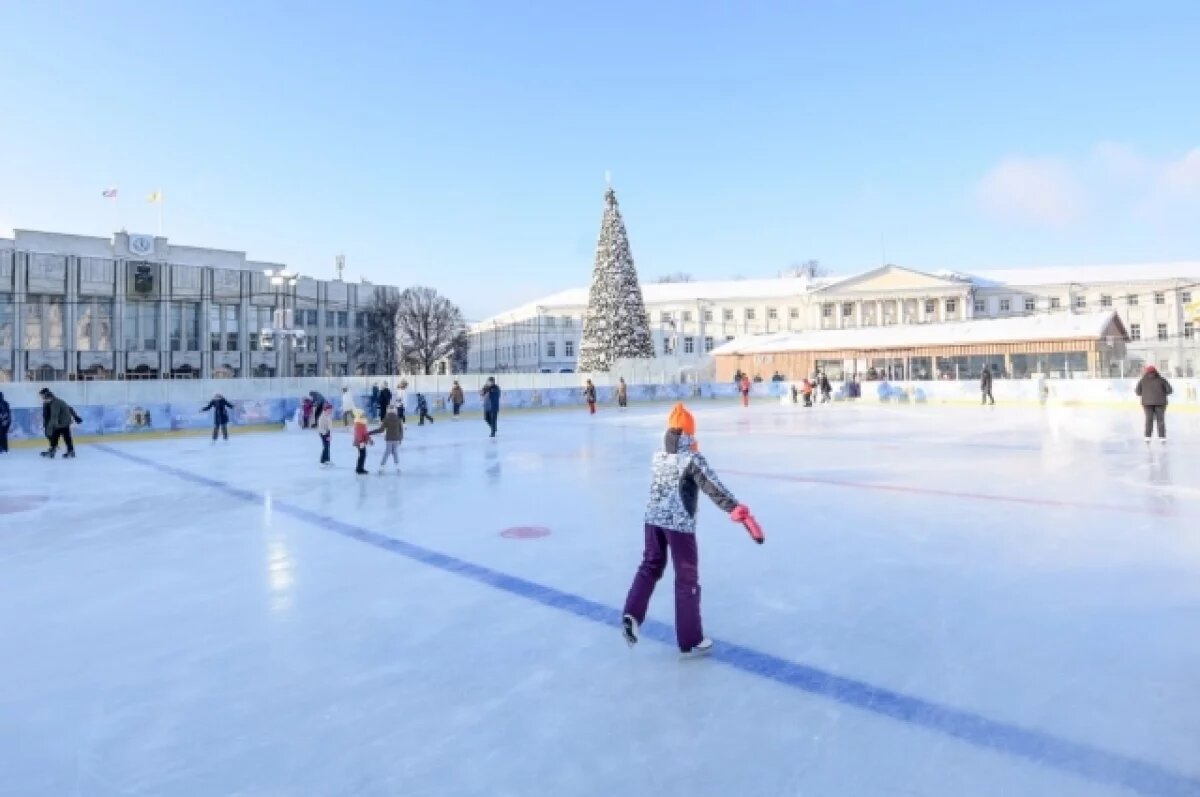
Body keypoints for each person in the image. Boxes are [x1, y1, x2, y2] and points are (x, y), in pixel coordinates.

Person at [621, 402, 754, 658]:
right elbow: (713, 487)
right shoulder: (692, 459)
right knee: (686, 579)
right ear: (690, 433)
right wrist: (735, 509)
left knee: (649, 566)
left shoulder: (658, 455)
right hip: (679, 526)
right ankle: (690, 638)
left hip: (652, 521)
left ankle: (632, 614)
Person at [1135, 364, 1172, 444]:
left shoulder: (1142, 380)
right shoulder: (1162, 380)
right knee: (1160, 420)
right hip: (1160, 403)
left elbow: (1137, 392)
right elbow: (1169, 390)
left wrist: (1146, 393)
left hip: (1147, 403)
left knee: (1149, 420)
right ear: (1156, 371)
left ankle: (1147, 437)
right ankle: (1162, 437)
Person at [39, 388, 78, 458]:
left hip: (61, 422)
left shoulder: (54, 403)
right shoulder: (53, 401)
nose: (43, 399)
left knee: (63, 436)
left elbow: (54, 415)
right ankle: (54, 450)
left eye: (44, 398)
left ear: (48, 397)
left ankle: (68, 451)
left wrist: (51, 426)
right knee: (57, 436)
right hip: (60, 422)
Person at [369, 404, 403, 474]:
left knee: (387, 452)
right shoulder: (398, 419)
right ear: (395, 411)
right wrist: (400, 439)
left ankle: (382, 467)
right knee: (395, 452)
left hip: (389, 439)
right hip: (396, 438)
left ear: (388, 411)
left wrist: (370, 432)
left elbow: (381, 430)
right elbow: (401, 430)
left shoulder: (386, 419)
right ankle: (398, 467)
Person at [317, 402, 334, 468]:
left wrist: (330, 434)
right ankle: (322, 460)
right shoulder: (322, 417)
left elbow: (330, 426)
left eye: (331, 409)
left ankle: (327, 459)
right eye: (329, 410)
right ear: (326, 409)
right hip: (323, 433)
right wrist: (326, 435)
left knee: (328, 446)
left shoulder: (328, 415)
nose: (331, 411)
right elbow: (321, 427)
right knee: (326, 446)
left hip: (328, 432)